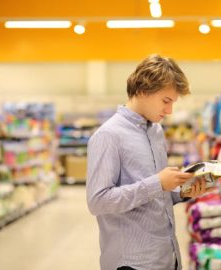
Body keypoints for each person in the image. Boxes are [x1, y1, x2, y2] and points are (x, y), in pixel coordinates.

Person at [86, 54, 213, 270]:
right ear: (143, 90)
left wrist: (181, 191)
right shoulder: (108, 135)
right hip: (133, 262)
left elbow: (155, 194)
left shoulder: (155, 131)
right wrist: (158, 183)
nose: (170, 110)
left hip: (166, 255)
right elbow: (97, 202)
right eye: (166, 101)